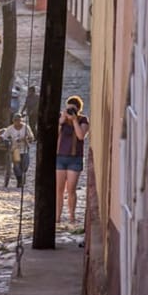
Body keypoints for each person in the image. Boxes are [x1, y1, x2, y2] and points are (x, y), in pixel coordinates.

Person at [56, 95, 89, 224]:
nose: (70, 111)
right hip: (60, 157)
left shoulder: (83, 120)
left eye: (73, 109)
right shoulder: (62, 119)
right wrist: (61, 121)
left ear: (78, 110)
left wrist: (74, 120)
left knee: (71, 189)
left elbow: (81, 136)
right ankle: (57, 217)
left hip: (75, 159)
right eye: (68, 108)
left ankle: (71, 216)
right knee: (58, 190)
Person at [0, 113, 35, 188]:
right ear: (13, 121)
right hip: (16, 150)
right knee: (16, 167)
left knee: (25, 166)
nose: (17, 122)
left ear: (21, 120)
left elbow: (32, 138)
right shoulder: (10, 128)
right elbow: (4, 136)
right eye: (15, 121)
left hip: (24, 149)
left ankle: (22, 176)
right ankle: (19, 181)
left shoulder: (25, 127)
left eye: (18, 120)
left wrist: (26, 139)